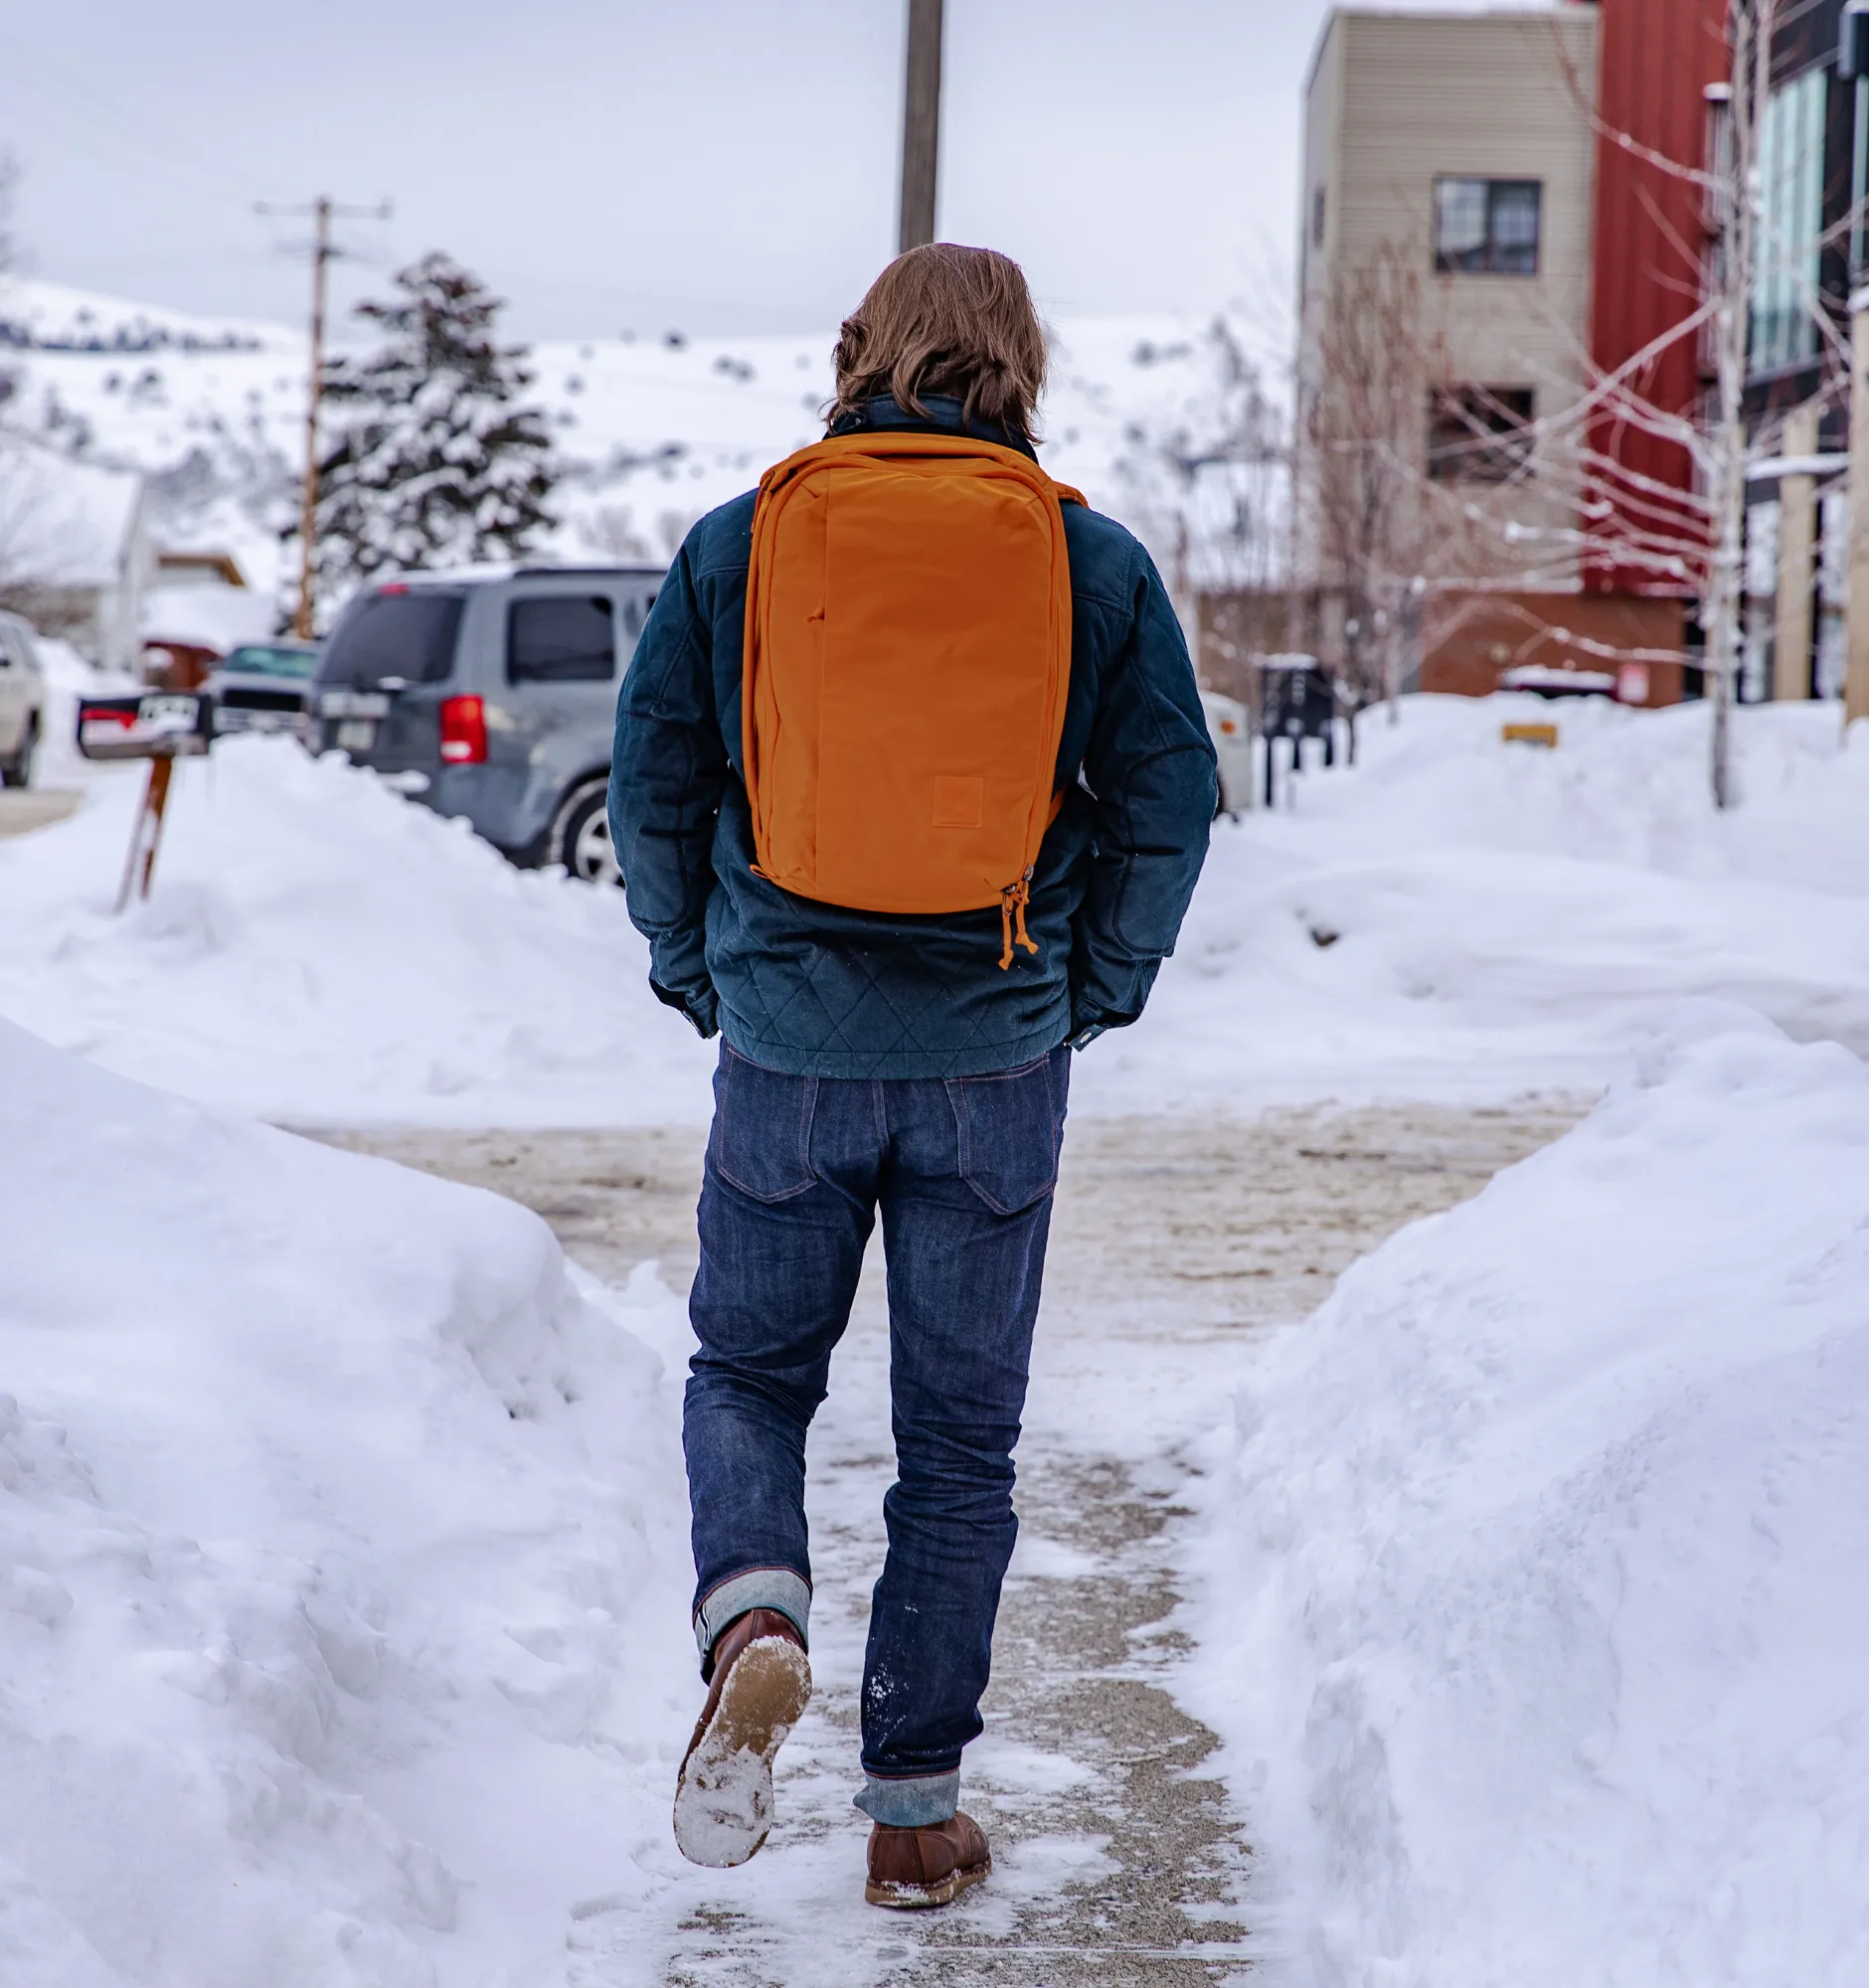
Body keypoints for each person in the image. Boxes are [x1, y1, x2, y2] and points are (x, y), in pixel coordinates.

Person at [608, 243, 1216, 1909]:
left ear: (860, 351)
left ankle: (756, 1615)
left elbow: (652, 775)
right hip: (994, 1056)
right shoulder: (1089, 563)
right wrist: (1093, 983)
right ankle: (912, 1817)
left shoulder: (746, 541)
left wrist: (697, 962)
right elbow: (1172, 797)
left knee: (747, 1376)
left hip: (788, 1048)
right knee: (959, 1447)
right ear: (1023, 363)